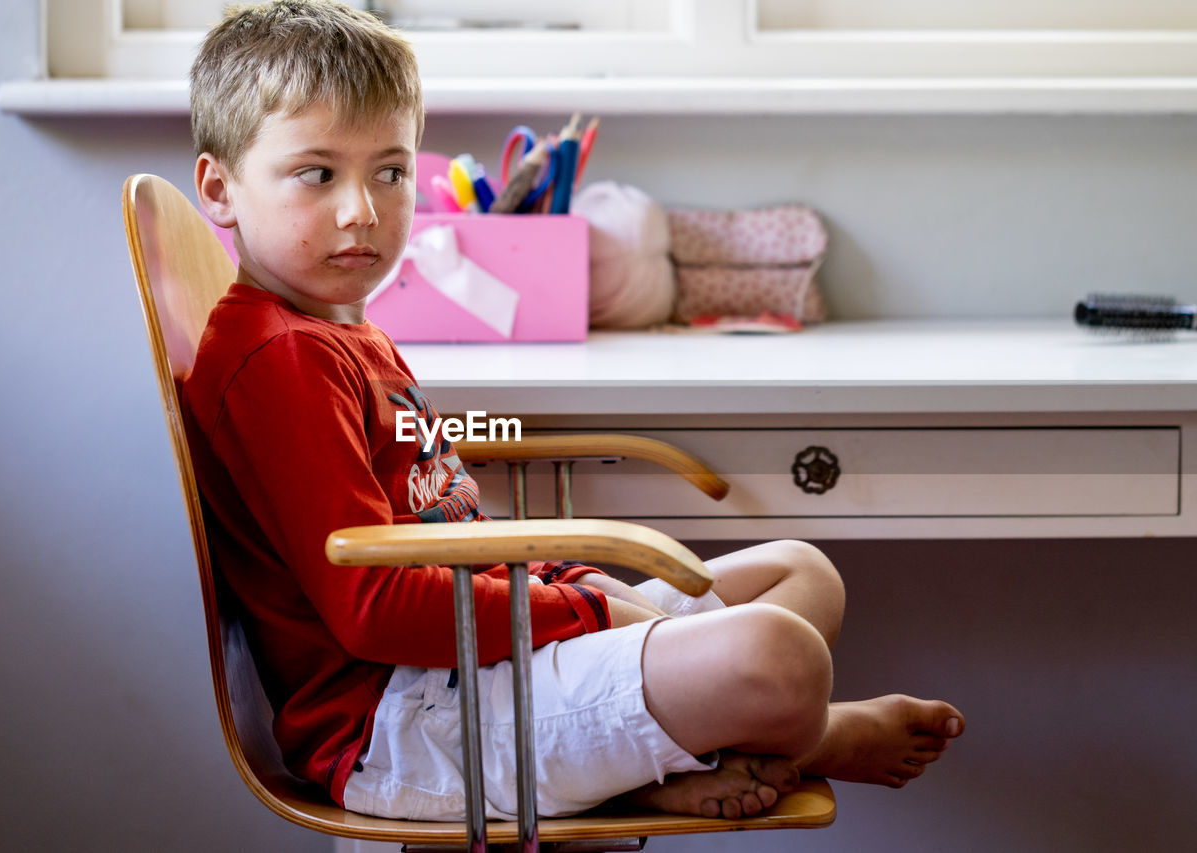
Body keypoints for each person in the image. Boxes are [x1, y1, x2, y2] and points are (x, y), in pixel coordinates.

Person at [183, 0, 965, 823]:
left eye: (390, 171)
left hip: (477, 652)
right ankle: (816, 737)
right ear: (220, 189)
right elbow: (374, 607)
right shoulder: (282, 357)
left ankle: (691, 755)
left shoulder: (332, 325)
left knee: (800, 573)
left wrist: (557, 571)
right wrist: (585, 608)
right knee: (782, 655)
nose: (363, 211)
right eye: (317, 173)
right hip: (407, 718)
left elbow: (419, 478)